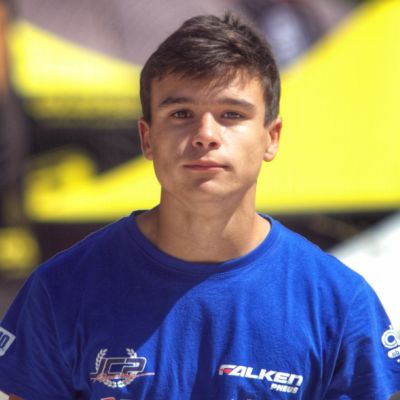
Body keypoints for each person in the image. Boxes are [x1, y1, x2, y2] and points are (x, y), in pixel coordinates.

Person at [0, 13, 399, 400]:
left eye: (231, 114)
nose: (205, 134)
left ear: (271, 137)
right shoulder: (60, 290)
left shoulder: (340, 303)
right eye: (181, 114)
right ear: (147, 138)